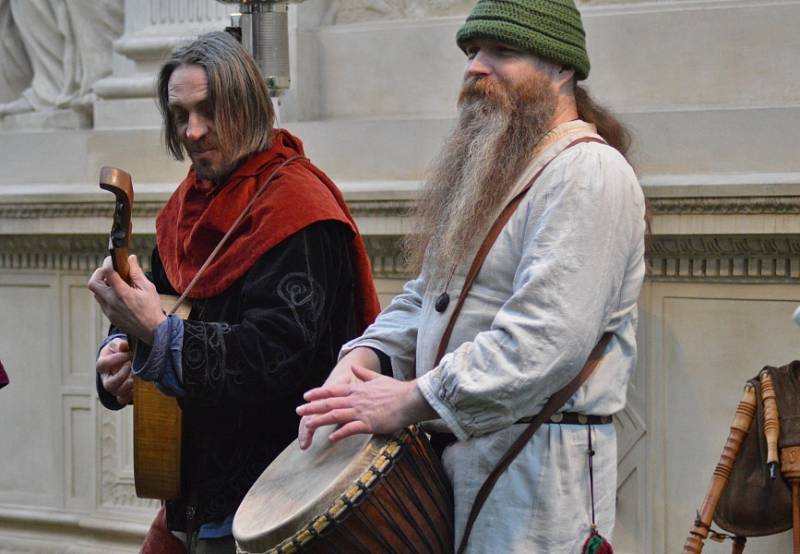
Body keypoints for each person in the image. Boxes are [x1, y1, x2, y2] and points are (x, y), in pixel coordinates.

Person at [296, 1, 646, 552]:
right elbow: (427, 298)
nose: (475, 67)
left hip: (537, 477)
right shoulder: (496, 167)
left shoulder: (589, 173)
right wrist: (363, 360)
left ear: (562, 69)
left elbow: (544, 341)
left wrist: (411, 399)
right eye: (471, 52)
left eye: (501, 52)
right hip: (465, 453)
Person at [87, 31, 380, 554]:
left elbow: (276, 359)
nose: (194, 132)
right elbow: (165, 306)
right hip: (191, 497)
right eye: (180, 115)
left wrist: (156, 332)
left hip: (276, 502)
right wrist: (118, 353)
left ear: (248, 106)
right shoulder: (186, 208)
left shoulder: (299, 210)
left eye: (209, 111)